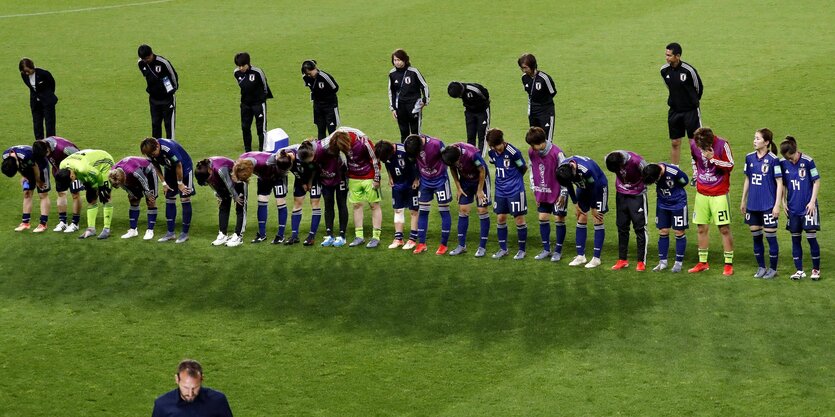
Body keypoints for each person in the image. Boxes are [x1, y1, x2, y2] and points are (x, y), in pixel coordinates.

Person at [688, 127, 734, 276]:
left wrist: (713, 159)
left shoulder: (722, 144)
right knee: (701, 228)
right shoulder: (695, 144)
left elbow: (730, 165)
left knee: (724, 229)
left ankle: (728, 264)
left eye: (703, 147)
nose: (700, 149)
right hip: (701, 193)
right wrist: (696, 174)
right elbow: (694, 160)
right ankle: (702, 262)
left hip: (719, 193)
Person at [740, 128, 783, 279]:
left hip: (768, 205)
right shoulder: (749, 158)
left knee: (770, 237)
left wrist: (777, 205)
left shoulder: (773, 159)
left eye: (758, 139)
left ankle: (773, 268)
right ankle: (761, 267)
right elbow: (748, 179)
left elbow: (779, 182)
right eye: (754, 138)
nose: (754, 141)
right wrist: (743, 200)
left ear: (766, 142)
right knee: (756, 236)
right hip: (753, 205)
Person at [330, 127, 383, 248]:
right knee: (356, 205)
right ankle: (359, 236)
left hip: (369, 176)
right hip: (354, 177)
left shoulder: (363, 142)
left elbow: (375, 160)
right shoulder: (338, 140)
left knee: (374, 205)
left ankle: (376, 237)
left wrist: (377, 178)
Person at [779, 136, 821, 280]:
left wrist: (812, 201)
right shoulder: (783, 163)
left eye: (792, 157)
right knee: (795, 239)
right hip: (793, 208)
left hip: (809, 208)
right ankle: (799, 270)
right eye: (788, 159)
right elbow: (783, 184)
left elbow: (816, 181)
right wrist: (783, 202)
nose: (791, 161)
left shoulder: (808, 161)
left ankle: (815, 270)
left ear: (796, 151)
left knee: (811, 238)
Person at [557, 155, 609, 268]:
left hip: (598, 187)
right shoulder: (563, 169)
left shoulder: (586, 170)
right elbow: (569, 185)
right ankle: (581, 256)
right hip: (582, 187)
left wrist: (593, 207)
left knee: (597, 218)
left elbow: (594, 187)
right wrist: (575, 203)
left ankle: (596, 258)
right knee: (581, 216)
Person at [404, 134, 452, 255]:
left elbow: (447, 158)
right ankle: (421, 243)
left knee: (444, 211)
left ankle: (443, 245)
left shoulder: (436, 144)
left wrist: (440, 171)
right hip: (425, 182)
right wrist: (416, 178)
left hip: (440, 180)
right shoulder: (410, 145)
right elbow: (413, 163)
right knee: (423, 211)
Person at [440, 141, 491, 257]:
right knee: (463, 210)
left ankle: (482, 247)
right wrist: (458, 187)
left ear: (459, 157)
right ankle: (461, 246)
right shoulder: (450, 155)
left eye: (456, 162)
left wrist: (479, 190)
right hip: (465, 182)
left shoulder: (472, 154)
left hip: (480, 180)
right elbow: (453, 169)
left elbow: (482, 170)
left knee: (482, 210)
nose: (456, 165)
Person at [525, 127, 568, 262]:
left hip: (558, 192)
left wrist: (563, 193)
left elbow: (566, 175)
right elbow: (532, 170)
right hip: (542, 190)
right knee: (543, 217)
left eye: (534, 145)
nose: (533, 148)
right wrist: (534, 189)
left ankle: (558, 251)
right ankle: (546, 249)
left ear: (542, 142)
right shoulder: (532, 152)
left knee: (559, 219)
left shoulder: (557, 153)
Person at [140, 137, 194, 243]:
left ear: (157, 146)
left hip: (185, 168)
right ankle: (170, 233)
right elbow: (155, 165)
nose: (152, 155)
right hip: (169, 169)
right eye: (150, 155)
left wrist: (180, 183)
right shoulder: (151, 152)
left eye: (153, 153)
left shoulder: (168, 148)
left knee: (185, 198)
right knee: (169, 197)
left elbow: (178, 165)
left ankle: (184, 234)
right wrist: (164, 183)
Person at [486, 128, 528, 260]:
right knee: (500, 218)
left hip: (515, 190)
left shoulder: (513, 152)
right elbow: (495, 163)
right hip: (500, 191)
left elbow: (523, 167)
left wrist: (514, 180)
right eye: (493, 146)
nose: (496, 149)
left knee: (519, 219)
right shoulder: (491, 152)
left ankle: (522, 250)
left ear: (503, 142)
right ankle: (503, 249)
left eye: (498, 146)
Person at [55, 149, 115, 239]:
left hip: (104, 163)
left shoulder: (82, 168)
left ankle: (106, 229)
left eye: (71, 181)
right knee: (91, 197)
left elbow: (98, 175)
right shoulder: (62, 166)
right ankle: (91, 229)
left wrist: (102, 187)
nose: (73, 182)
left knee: (105, 195)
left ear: (71, 176)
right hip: (89, 163)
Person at [605, 150, 649, 271]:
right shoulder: (609, 158)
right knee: (622, 227)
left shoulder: (637, 161)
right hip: (621, 195)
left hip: (637, 196)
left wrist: (640, 188)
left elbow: (648, 174)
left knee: (640, 228)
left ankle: (641, 261)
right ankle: (622, 259)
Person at [642, 162, 689, 272]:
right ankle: (662, 262)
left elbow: (684, 181)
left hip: (678, 204)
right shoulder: (650, 171)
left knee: (679, 232)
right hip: (662, 204)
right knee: (663, 231)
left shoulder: (673, 172)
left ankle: (678, 263)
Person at [231, 151, 287, 244]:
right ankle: (261, 234)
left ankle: (280, 235)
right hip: (263, 177)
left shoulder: (268, 161)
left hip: (278, 176)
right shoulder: (240, 163)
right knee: (261, 201)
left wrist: (281, 176)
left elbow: (284, 167)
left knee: (280, 202)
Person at [661, 42, 703, 165]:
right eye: (666, 55)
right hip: (674, 111)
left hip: (690, 111)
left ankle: (697, 172)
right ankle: (675, 170)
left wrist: (692, 102)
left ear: (677, 56)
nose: (666, 58)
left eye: (669, 55)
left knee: (694, 142)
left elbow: (698, 88)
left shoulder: (689, 70)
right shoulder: (664, 70)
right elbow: (670, 87)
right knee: (675, 142)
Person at [32, 136, 83, 233]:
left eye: (46, 153)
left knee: (75, 194)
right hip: (59, 171)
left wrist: (74, 173)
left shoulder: (64, 148)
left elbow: (79, 157)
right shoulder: (40, 148)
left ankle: (75, 223)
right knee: (61, 193)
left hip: (74, 171)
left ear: (47, 148)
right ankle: (63, 222)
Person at [375, 140, 419, 249]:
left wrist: (417, 179)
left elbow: (417, 163)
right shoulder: (385, 153)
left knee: (413, 210)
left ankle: (412, 239)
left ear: (391, 151)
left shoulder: (405, 151)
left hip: (411, 184)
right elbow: (387, 164)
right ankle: (398, 238)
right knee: (398, 210)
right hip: (397, 184)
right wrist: (390, 177)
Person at [151, 359, 233, 417]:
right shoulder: (162, 404)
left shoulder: (218, 400)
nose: (190, 393)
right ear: (177, 379)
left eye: (195, 388)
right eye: (186, 388)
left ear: (202, 379)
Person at [275, 141, 320, 245]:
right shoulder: (283, 157)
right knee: (297, 203)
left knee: (315, 203)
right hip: (300, 179)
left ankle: (311, 236)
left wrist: (310, 182)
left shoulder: (302, 154)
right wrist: (303, 182)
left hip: (315, 178)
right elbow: (295, 171)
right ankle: (294, 236)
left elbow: (314, 168)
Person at [195, 157, 247, 246]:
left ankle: (238, 236)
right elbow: (211, 183)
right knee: (223, 206)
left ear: (210, 170)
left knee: (239, 206)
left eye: (208, 179)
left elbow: (229, 184)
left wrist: (235, 196)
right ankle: (223, 234)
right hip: (223, 183)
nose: (208, 182)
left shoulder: (220, 169)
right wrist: (218, 194)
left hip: (237, 180)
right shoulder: (204, 170)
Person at [2, 145, 51, 232]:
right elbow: (18, 167)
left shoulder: (26, 155)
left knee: (42, 194)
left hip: (40, 166)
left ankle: (43, 224)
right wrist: (24, 176)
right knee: (27, 193)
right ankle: (25, 223)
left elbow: (35, 167)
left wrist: (38, 181)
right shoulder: (5, 156)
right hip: (26, 167)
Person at [109, 156, 159, 240]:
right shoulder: (113, 173)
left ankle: (150, 230)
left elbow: (144, 181)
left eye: (121, 183)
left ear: (123, 178)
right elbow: (123, 186)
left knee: (150, 201)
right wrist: (131, 193)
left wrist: (148, 194)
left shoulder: (132, 170)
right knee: (133, 200)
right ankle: (133, 230)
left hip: (148, 173)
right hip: (132, 178)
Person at [312, 136, 349, 247]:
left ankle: (342, 236)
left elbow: (346, 164)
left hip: (340, 177)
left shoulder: (339, 151)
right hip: (326, 180)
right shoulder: (318, 152)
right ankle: (329, 234)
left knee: (341, 203)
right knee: (328, 204)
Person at [234, 52, 273, 152]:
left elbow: (265, 85)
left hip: (258, 104)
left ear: (248, 63)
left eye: (243, 65)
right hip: (245, 104)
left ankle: (262, 150)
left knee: (261, 128)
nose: (241, 68)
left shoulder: (257, 72)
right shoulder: (236, 73)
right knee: (245, 127)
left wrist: (261, 98)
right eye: (239, 66)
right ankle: (248, 150)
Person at [137, 44, 178, 139]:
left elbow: (173, 75)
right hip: (154, 99)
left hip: (167, 99)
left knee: (169, 125)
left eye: (147, 58)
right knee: (155, 124)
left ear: (151, 54)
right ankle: (156, 150)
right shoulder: (141, 63)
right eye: (143, 59)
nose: (146, 61)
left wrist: (173, 89)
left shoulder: (163, 62)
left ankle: (171, 149)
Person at [388, 49, 429, 142]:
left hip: (414, 106)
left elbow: (424, 86)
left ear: (405, 60)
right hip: (400, 107)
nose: (397, 62)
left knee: (415, 133)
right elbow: (391, 92)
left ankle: (417, 154)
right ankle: (404, 154)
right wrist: (393, 108)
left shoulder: (414, 72)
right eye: (395, 60)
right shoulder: (392, 74)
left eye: (399, 60)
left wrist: (425, 100)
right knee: (403, 133)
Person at [518, 53, 556, 142]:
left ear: (532, 66)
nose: (523, 70)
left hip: (546, 111)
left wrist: (543, 102)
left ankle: (551, 155)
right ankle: (536, 156)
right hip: (533, 110)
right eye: (521, 68)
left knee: (547, 139)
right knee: (534, 137)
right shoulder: (524, 78)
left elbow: (552, 92)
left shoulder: (544, 78)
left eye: (525, 67)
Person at [19, 58, 58, 140]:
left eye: (27, 71)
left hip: (47, 102)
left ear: (32, 67)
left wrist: (47, 95)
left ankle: (50, 143)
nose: (26, 73)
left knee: (49, 124)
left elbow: (52, 84)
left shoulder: (43, 73)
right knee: (37, 124)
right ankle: (39, 144)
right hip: (35, 103)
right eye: (24, 71)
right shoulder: (23, 75)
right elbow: (31, 88)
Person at [447, 81, 490, 152]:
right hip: (469, 113)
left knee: (482, 134)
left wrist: (481, 106)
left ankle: (481, 155)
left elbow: (486, 95)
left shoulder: (474, 89)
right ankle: (471, 153)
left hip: (482, 112)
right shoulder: (459, 92)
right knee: (470, 135)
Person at [302, 60, 340, 139]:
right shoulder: (306, 77)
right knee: (321, 130)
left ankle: (334, 150)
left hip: (330, 106)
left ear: (315, 68)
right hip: (318, 106)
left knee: (332, 131)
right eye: (308, 73)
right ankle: (321, 150)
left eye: (311, 72)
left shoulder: (324, 77)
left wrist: (325, 95)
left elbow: (335, 88)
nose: (310, 75)